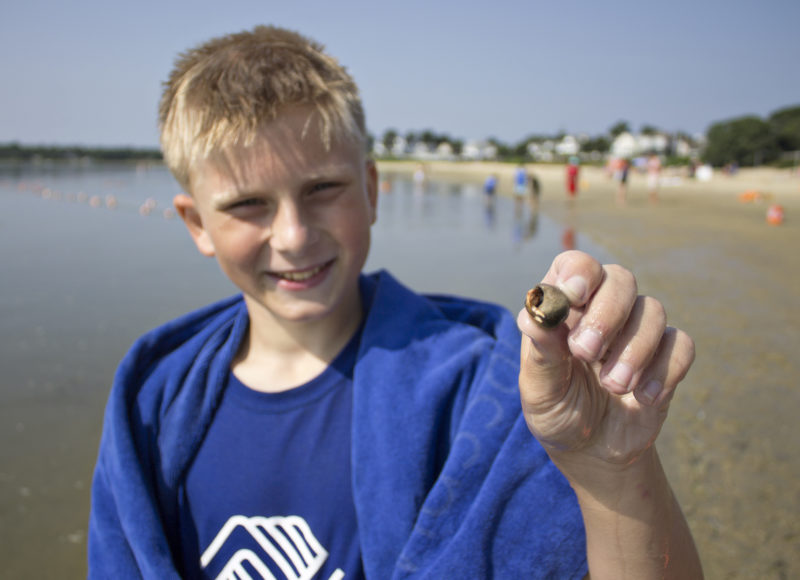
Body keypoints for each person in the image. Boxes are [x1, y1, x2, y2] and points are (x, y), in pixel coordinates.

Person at [88, 26, 703, 579]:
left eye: (324, 188)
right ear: (196, 223)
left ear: (373, 189)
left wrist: (614, 471)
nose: (295, 235)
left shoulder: (482, 389)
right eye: (248, 204)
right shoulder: (153, 405)